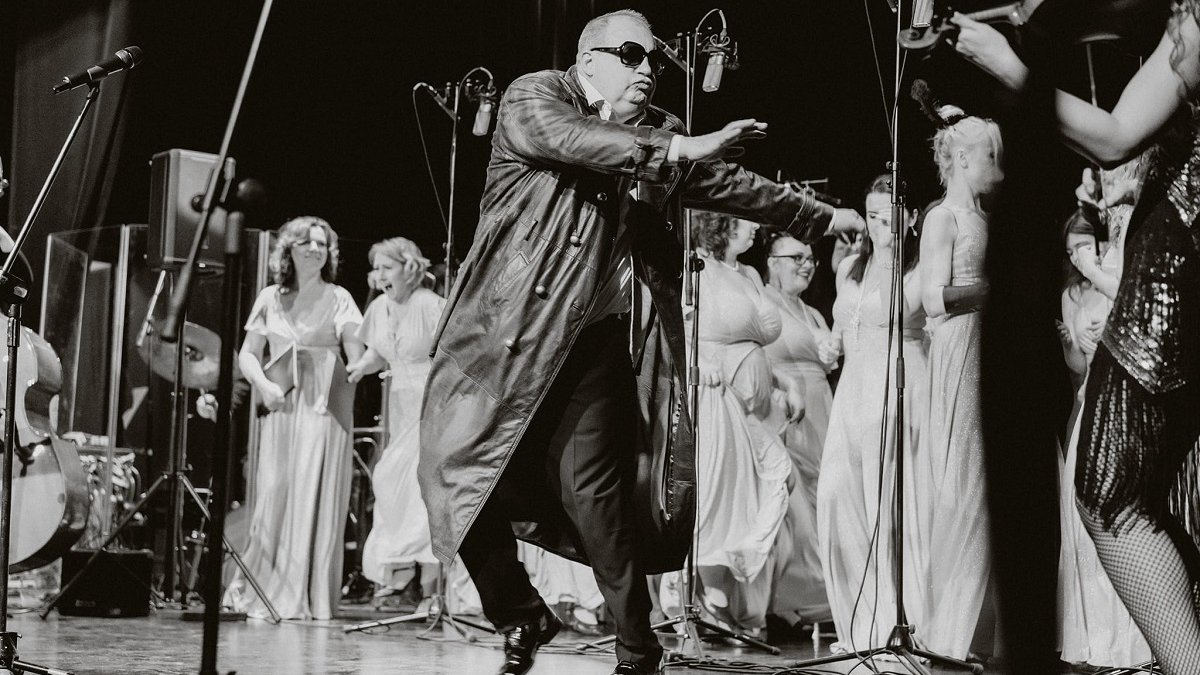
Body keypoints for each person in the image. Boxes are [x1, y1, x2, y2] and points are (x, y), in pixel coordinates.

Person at [418, 9, 863, 675]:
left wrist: (821, 215)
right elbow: (577, 140)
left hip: (588, 343)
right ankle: (521, 614)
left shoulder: (659, 134)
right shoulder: (534, 96)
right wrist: (682, 149)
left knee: (596, 496)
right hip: (497, 339)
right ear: (589, 57)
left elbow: (729, 184)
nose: (650, 69)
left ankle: (636, 646)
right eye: (633, 54)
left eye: (655, 59)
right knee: (448, 476)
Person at [954, 7, 1200, 672]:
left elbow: (1116, 134)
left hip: (1176, 272)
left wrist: (1010, 67)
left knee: (1107, 485)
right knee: (1169, 495)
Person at [225, 216, 364, 621]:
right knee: (275, 493)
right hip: (281, 405)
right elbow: (248, 353)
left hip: (323, 407)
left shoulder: (339, 297)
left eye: (322, 244)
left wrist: (364, 355)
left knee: (312, 494)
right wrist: (263, 386)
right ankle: (267, 590)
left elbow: (358, 355)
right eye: (307, 243)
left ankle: (308, 594)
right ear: (289, 250)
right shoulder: (271, 297)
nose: (315, 250)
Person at [817, 175, 927, 652]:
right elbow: (845, 327)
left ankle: (900, 619)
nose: (879, 225)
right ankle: (860, 621)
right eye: (872, 215)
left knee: (892, 502)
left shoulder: (919, 268)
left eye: (888, 215)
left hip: (900, 384)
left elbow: (913, 317)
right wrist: (831, 346)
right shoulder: (849, 268)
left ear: (911, 217)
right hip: (853, 390)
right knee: (839, 497)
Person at [687, 213, 802, 635]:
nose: (755, 225)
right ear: (719, 223)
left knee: (771, 482)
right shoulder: (696, 265)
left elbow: (759, 340)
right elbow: (680, 323)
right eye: (743, 218)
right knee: (722, 494)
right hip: (718, 395)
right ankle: (710, 596)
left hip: (757, 401)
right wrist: (699, 361)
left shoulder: (748, 272)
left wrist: (784, 381)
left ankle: (724, 591)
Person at [916, 110, 1003, 660]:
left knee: (988, 481)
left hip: (986, 346)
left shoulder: (986, 219)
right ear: (965, 159)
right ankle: (951, 630)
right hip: (960, 346)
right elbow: (932, 299)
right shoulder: (943, 218)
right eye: (990, 155)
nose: (998, 166)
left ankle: (979, 630)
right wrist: (997, 291)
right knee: (964, 477)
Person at [1055, 202, 1151, 669]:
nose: (1079, 257)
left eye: (1085, 246)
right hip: (1091, 396)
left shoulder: (1120, 269)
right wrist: (1075, 343)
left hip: (1125, 397)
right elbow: (1077, 372)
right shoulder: (1072, 296)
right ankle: (1095, 636)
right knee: (1081, 521)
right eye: (1072, 250)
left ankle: (1134, 639)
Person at [346, 237, 445, 610]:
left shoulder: (430, 305)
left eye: (387, 267)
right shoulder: (380, 308)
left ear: (410, 268)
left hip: (431, 406)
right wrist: (359, 367)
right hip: (400, 407)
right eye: (377, 268)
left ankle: (430, 589)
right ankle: (402, 575)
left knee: (421, 491)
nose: (380, 275)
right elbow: (378, 353)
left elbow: (452, 354)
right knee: (390, 481)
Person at [761, 232, 837, 630]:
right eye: (797, 257)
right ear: (773, 261)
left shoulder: (811, 312)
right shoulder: (763, 302)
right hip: (786, 410)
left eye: (811, 259)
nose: (806, 265)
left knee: (824, 499)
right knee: (796, 509)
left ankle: (822, 595)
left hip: (822, 410)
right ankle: (794, 601)